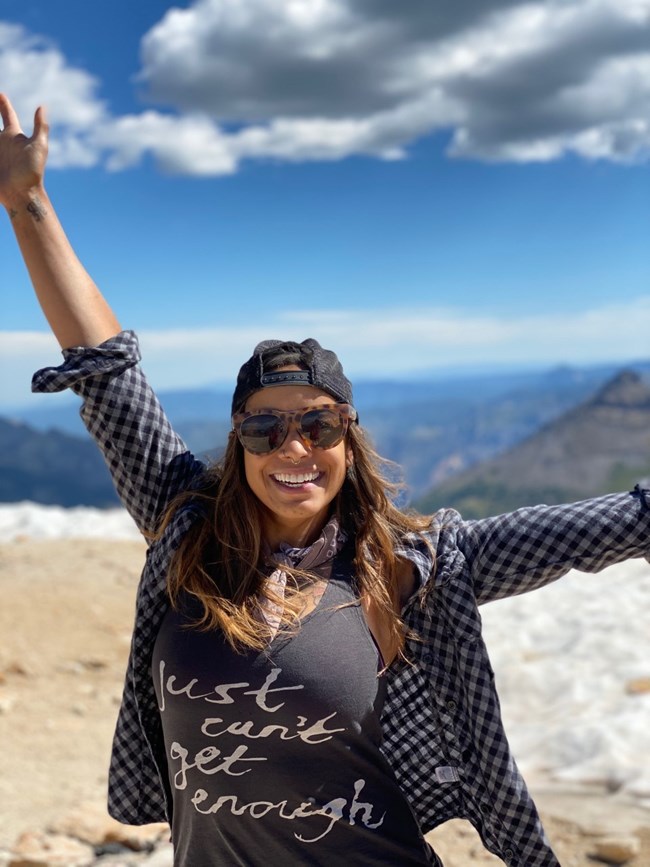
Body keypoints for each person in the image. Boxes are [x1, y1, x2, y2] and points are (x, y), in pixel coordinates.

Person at [1, 92, 648, 867]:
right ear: (238, 440)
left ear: (350, 434)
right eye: (264, 427)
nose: (293, 446)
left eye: (318, 423)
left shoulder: (415, 567)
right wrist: (28, 200)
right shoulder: (186, 526)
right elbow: (107, 372)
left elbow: (619, 522)